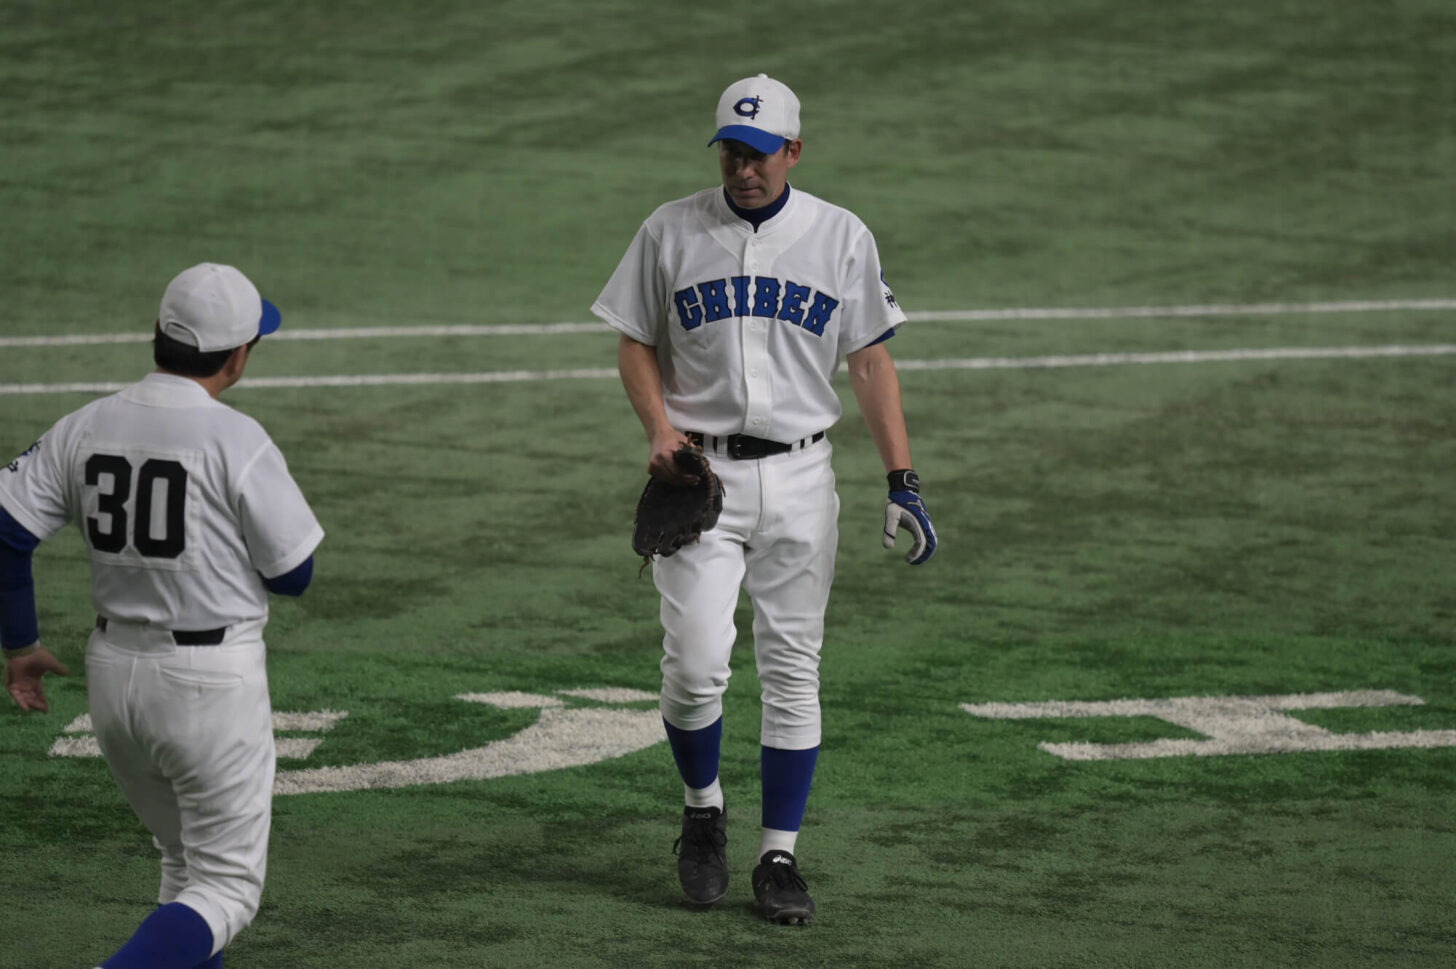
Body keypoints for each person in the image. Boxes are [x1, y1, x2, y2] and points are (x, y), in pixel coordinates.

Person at [592, 74, 937, 925]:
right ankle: (702, 807)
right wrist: (657, 429)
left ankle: (778, 854)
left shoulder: (839, 235)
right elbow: (635, 341)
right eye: (731, 153)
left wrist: (902, 478)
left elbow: (869, 361)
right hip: (698, 481)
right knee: (697, 664)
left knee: (792, 673)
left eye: (760, 155)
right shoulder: (670, 229)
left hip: (800, 479)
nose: (743, 169)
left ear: (794, 150)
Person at [0, 263, 325, 969]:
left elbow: (7, 529)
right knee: (226, 888)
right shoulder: (237, 439)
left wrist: (20, 642)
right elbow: (294, 573)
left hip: (112, 681)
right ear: (237, 358)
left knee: (183, 870)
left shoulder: (86, 422)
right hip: (208, 683)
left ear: (157, 333)